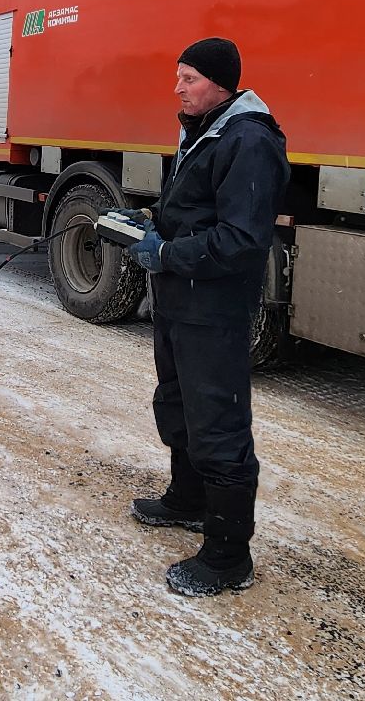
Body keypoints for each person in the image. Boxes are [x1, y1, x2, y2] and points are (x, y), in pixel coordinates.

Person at [124, 36, 289, 597]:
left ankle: (227, 554)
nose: (178, 88)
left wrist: (168, 253)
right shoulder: (205, 130)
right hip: (178, 300)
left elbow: (242, 238)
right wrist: (148, 221)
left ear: (220, 82)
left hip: (213, 308)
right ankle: (188, 499)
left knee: (218, 421)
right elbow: (197, 210)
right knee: (177, 399)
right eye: (179, 77)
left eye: (189, 78)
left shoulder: (250, 140)